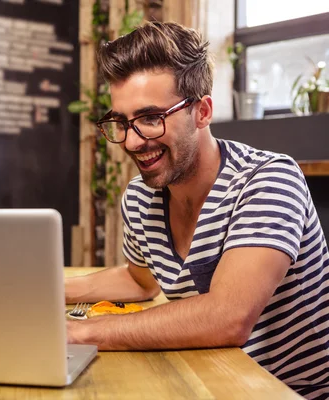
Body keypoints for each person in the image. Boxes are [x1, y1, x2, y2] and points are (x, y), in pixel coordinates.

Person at [65, 21, 329, 399]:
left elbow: (227, 318)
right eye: (122, 122)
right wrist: (46, 291)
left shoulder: (269, 179)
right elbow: (141, 281)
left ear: (202, 111)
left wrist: (79, 332)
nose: (134, 141)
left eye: (151, 118)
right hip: (212, 382)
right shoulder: (140, 197)